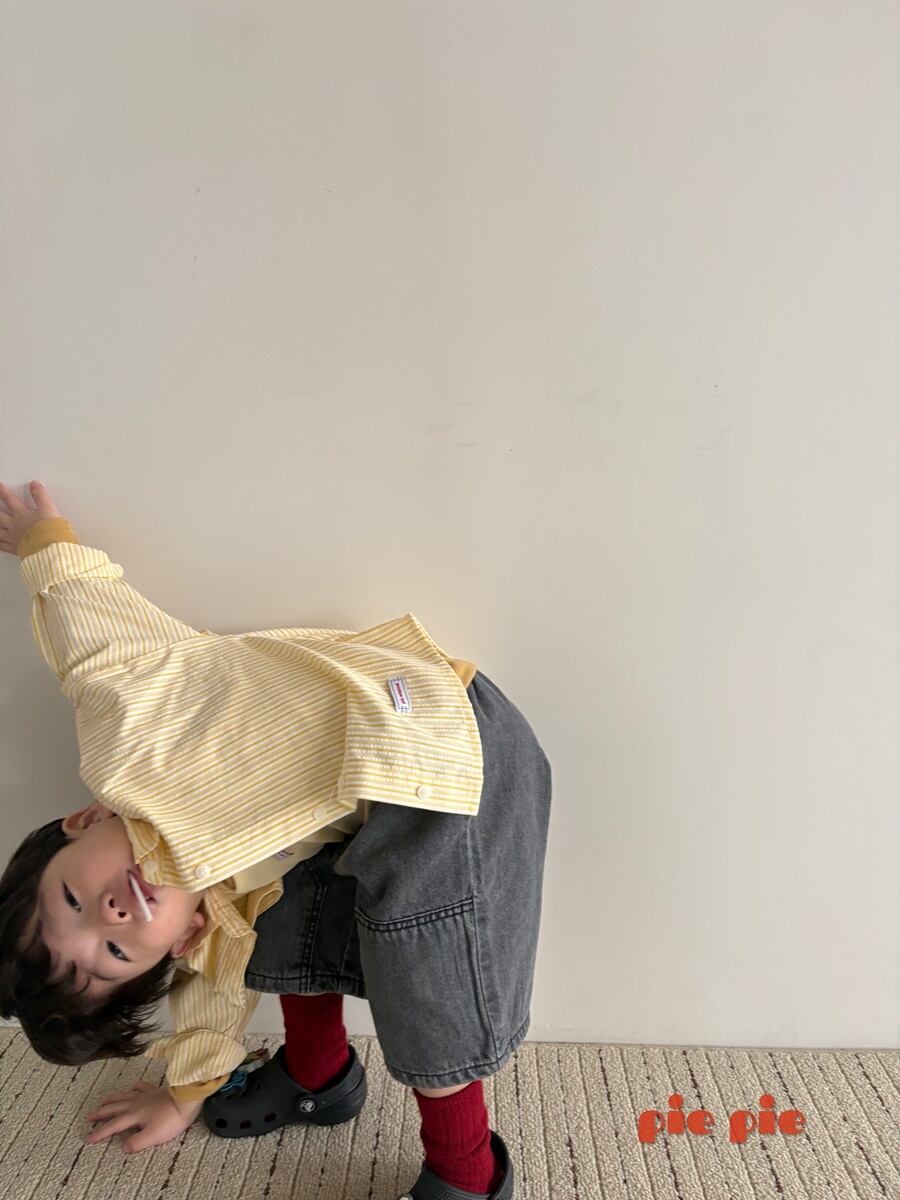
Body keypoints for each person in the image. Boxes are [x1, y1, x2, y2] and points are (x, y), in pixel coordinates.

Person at [0, 480, 552, 1200]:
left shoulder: (128, 740)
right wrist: (182, 1095)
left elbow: (92, 643)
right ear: (180, 939)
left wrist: (43, 545)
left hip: (447, 746)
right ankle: (319, 1075)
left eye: (73, 899)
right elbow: (209, 1002)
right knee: (274, 922)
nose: (112, 914)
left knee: (426, 970)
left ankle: (467, 1175)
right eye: (115, 952)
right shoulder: (209, 920)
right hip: (371, 788)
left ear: (82, 819)